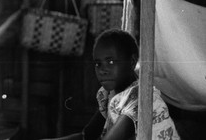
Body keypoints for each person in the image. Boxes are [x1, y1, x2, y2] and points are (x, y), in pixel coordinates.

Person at [41, 29, 180, 140]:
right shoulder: (109, 94)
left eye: (111, 62)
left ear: (132, 61)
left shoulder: (140, 98)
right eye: (98, 63)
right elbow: (87, 136)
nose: (102, 70)